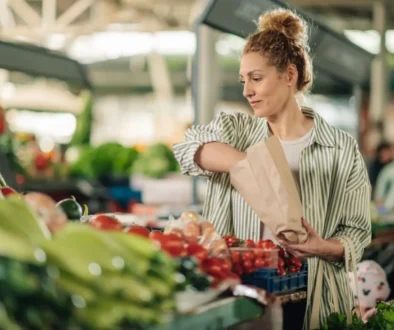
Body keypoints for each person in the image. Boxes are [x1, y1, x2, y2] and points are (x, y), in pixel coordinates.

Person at [173, 8, 371, 330]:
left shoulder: (341, 147)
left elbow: (358, 234)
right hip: (246, 297)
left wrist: (322, 247)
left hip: (316, 300)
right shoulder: (237, 130)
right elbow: (187, 148)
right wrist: (250, 166)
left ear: (289, 76)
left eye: (256, 78)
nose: (246, 91)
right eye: (243, 80)